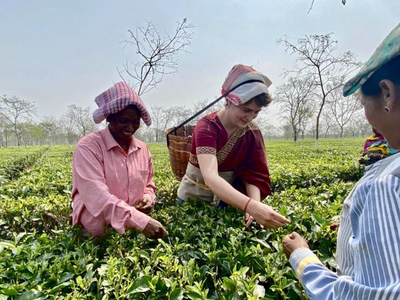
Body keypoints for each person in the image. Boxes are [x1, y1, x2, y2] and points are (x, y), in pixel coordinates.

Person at [282, 24, 400, 299]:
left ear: (387, 93)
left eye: (362, 105)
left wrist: (302, 258)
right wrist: (353, 224)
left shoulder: (384, 184)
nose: (367, 118)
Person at [177, 64, 290, 229]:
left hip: (229, 200)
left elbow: (253, 174)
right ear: (230, 100)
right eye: (246, 110)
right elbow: (210, 176)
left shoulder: (252, 132)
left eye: (256, 112)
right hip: (194, 198)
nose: (250, 117)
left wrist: (253, 208)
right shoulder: (207, 128)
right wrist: (251, 206)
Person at [72, 82, 168, 239]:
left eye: (135, 122)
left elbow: (149, 184)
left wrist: (148, 197)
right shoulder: (88, 148)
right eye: (123, 121)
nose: (130, 128)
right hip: (96, 237)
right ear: (109, 117)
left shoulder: (143, 150)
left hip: (132, 233)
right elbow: (97, 197)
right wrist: (140, 221)